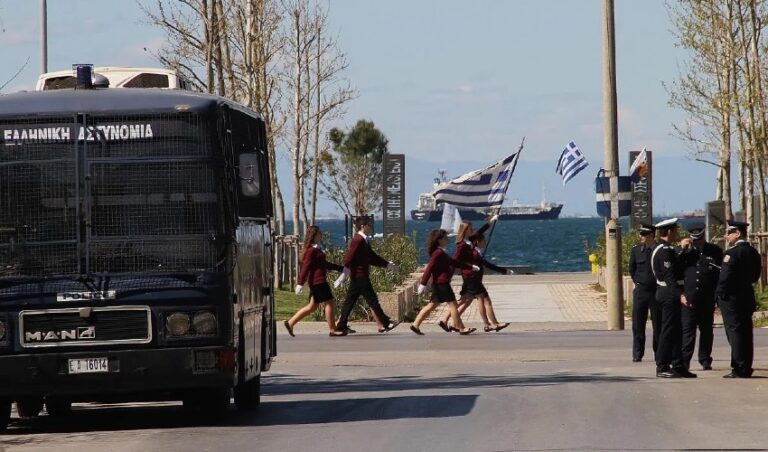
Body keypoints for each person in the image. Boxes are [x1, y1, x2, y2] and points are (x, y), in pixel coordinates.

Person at [333, 216, 400, 335]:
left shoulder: (364, 240)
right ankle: (386, 323)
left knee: (350, 301)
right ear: (362, 226)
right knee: (372, 300)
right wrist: (343, 275)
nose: (371, 227)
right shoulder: (358, 240)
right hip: (360, 276)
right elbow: (349, 257)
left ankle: (341, 325)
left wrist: (387, 265)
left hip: (359, 276)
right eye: (369, 225)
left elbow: (371, 257)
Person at [651, 218, 697, 378]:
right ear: (669, 232)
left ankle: (678, 365)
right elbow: (670, 277)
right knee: (668, 330)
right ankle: (662, 365)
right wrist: (680, 295)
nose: (678, 233)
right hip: (668, 293)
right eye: (676, 230)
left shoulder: (669, 249)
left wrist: (683, 250)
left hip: (671, 292)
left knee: (677, 331)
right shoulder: (664, 250)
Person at [715, 221, 761, 378]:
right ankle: (746, 365)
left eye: (730, 233)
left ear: (738, 233)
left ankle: (739, 366)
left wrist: (719, 295)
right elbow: (755, 276)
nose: (727, 236)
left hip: (732, 298)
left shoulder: (732, 253)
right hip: (746, 295)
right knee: (746, 332)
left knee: (735, 332)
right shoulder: (753, 252)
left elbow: (725, 277)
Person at [411, 229, 478, 335]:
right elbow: (430, 268)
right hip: (442, 283)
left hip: (439, 284)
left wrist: (470, 267)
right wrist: (423, 284)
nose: (447, 240)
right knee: (453, 305)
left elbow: (454, 262)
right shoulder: (438, 253)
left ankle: (415, 325)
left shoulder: (440, 252)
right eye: (445, 238)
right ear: (439, 240)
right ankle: (461, 328)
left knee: (432, 305)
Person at [436, 215, 497, 332]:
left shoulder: (467, 241)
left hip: (469, 275)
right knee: (478, 298)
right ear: (465, 231)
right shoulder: (462, 245)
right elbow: (453, 261)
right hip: (469, 276)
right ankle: (489, 324)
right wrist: (448, 276)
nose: (472, 230)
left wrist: (490, 222)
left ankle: (447, 321)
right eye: (470, 229)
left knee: (465, 300)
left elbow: (480, 232)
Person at [284, 225, 347, 337]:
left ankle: (290, 323)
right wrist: (300, 283)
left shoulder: (316, 249)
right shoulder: (311, 251)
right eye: (319, 233)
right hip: (318, 282)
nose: (321, 235)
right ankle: (333, 329)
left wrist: (341, 268)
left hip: (316, 282)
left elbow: (325, 264)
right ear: (314, 235)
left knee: (312, 307)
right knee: (330, 303)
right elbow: (305, 267)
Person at [680, 223, 723, 371]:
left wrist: (717, 297)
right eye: (694, 240)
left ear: (703, 237)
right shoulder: (685, 253)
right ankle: (685, 361)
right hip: (689, 297)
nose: (697, 242)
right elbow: (676, 272)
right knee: (688, 331)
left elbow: (719, 275)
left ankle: (705, 359)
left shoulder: (715, 251)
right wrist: (682, 249)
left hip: (706, 297)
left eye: (699, 239)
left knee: (706, 331)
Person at [628, 223, 660, 363]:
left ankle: (658, 352)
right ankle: (637, 353)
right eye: (640, 234)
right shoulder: (636, 250)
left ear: (651, 235)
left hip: (656, 291)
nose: (641, 236)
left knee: (658, 323)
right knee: (637, 324)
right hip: (641, 291)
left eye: (644, 234)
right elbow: (632, 269)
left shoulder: (659, 250)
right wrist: (639, 282)